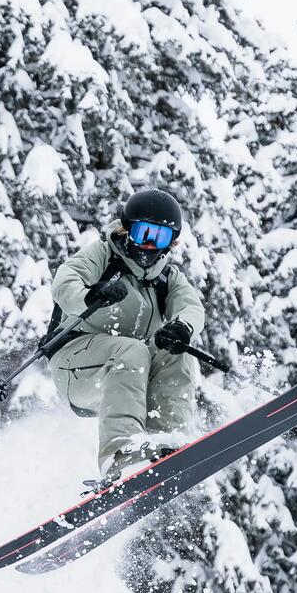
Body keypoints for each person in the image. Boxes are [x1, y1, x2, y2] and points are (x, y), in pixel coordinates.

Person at [47, 188, 204, 479]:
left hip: (127, 373)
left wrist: (182, 327)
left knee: (175, 354)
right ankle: (121, 452)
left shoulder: (167, 277)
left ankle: (168, 442)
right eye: (143, 233)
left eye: (160, 237)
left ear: (172, 242)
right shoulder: (103, 256)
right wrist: (91, 296)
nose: (148, 245)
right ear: (127, 229)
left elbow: (191, 306)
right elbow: (65, 282)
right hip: (74, 365)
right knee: (132, 350)